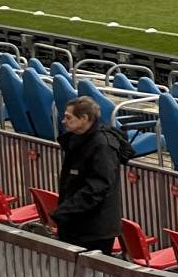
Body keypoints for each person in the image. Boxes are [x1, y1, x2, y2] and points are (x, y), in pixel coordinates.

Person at [54, 96, 126, 254]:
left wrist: (65, 211)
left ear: (85, 118)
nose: (64, 121)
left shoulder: (103, 145)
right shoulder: (76, 140)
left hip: (94, 230)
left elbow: (97, 187)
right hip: (75, 223)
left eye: (68, 117)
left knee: (96, 276)